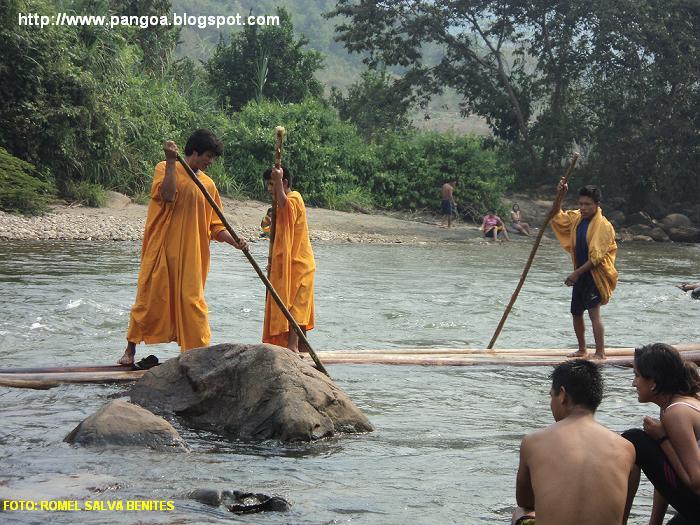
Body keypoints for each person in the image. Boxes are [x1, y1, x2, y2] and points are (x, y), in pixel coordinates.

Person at [119, 130, 248, 366]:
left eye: (213, 158)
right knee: (148, 298)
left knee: (193, 303)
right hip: (162, 249)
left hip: (193, 256)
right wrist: (170, 162)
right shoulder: (165, 168)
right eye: (208, 156)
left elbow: (215, 226)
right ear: (194, 152)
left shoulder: (208, 185)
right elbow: (167, 195)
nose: (210, 162)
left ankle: (196, 357)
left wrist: (235, 241)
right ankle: (130, 351)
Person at [513, 359, 636, 525]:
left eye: (552, 396)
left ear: (562, 394)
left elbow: (525, 501)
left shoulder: (533, 442)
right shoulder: (626, 448)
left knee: (521, 513)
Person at [622, 343, 700, 525]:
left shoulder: (677, 413)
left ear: (654, 383)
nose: (634, 383)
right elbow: (664, 469)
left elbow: (696, 481)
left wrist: (662, 440)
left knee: (633, 439)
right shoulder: (673, 406)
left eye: (637, 376)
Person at [550, 183, 617, 359]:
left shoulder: (603, 225)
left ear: (597, 204)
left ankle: (600, 353)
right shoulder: (577, 218)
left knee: (594, 313)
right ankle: (582, 349)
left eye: (587, 204)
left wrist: (576, 274)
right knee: (576, 312)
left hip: (594, 275)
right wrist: (560, 196)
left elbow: (596, 259)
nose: (583, 208)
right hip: (580, 273)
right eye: (581, 203)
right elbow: (556, 216)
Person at [262, 166, 315, 353]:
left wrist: (278, 180)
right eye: (268, 184)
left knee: (297, 306)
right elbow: (271, 231)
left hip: (300, 263)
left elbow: (287, 207)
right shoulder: (276, 206)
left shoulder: (295, 198)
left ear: (284, 183)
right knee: (288, 303)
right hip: (285, 263)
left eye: (272, 184)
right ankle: (302, 347)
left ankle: (293, 348)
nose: (269, 189)